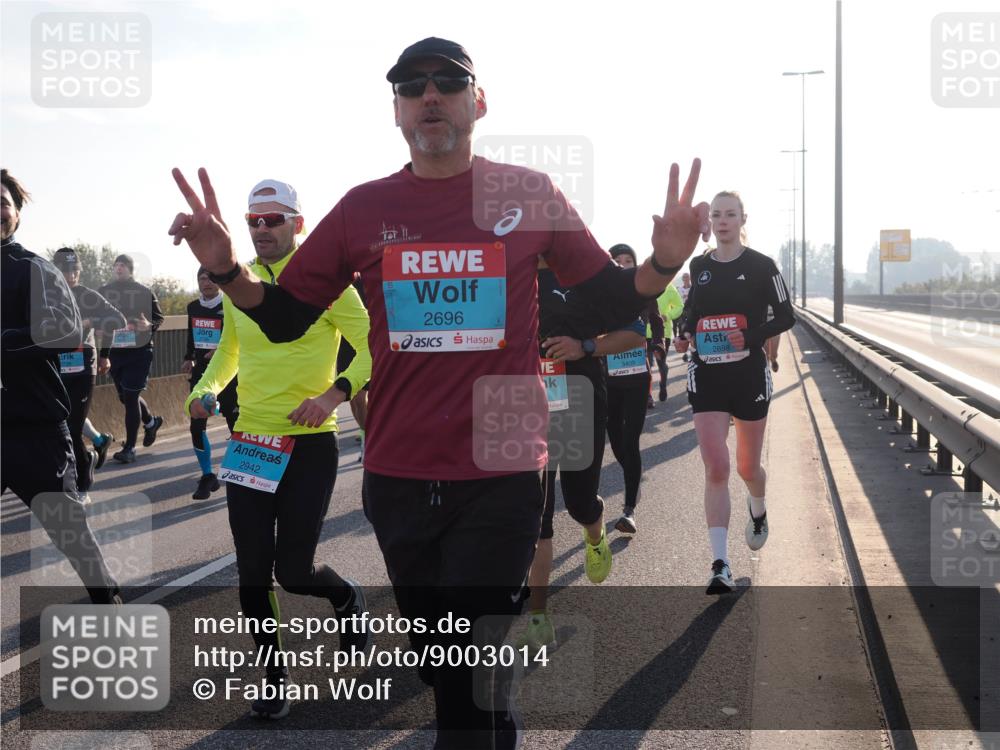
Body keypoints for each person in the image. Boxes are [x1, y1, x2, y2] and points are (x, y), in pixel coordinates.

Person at [169, 37, 710, 749]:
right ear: (395, 110)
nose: (429, 94)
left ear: (477, 103)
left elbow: (611, 298)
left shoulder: (527, 194)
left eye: (448, 82)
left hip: (501, 468)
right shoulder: (363, 209)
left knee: (465, 675)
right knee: (440, 661)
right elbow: (285, 316)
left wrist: (666, 259)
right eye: (411, 85)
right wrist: (226, 268)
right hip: (399, 472)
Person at [185, 179, 373, 720]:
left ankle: (344, 596)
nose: (263, 229)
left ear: (298, 223)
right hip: (252, 441)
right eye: (254, 221)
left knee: (294, 570)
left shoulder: (327, 284)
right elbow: (229, 351)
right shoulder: (238, 282)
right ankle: (274, 678)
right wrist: (204, 392)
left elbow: (374, 348)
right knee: (251, 570)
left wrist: (334, 395)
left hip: (311, 443)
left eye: (274, 219)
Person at [1, 169, 121, 605]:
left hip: (34, 429)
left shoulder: (35, 269)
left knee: (71, 534)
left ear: (16, 213)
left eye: (2, 203)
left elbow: (65, 331)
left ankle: (108, 602)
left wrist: (4, 342)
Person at [517, 259, 649, 652]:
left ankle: (595, 532)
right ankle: (538, 618)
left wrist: (585, 347)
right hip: (524, 409)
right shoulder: (510, 272)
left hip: (579, 403)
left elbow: (636, 332)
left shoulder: (586, 275)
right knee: (535, 516)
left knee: (579, 503)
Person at [674, 191, 795, 594]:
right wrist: (685, 333)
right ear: (710, 220)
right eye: (716, 214)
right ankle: (720, 564)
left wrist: (751, 336)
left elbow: (786, 316)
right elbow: (693, 312)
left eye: (730, 214)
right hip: (707, 374)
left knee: (747, 467)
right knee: (716, 467)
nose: (723, 220)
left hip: (748, 376)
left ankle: (757, 509)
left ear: (743, 219)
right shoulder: (699, 265)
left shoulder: (762, 265)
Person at [52, 248, 127, 502]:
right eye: (65, 270)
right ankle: (79, 465)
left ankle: (83, 484)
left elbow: (118, 320)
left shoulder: (87, 296)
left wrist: (92, 326)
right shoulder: (47, 295)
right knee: (57, 426)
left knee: (73, 428)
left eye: (75, 270)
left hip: (83, 366)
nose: (71, 275)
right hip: (56, 367)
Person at [605, 244, 665, 533]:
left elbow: (657, 321)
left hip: (638, 378)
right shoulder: (599, 295)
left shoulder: (645, 293)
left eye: (628, 260)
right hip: (609, 379)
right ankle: (633, 476)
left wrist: (658, 344)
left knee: (630, 441)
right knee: (616, 441)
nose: (623, 264)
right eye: (617, 260)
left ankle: (629, 510)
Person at [98, 254, 165, 463]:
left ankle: (129, 448)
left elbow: (159, 317)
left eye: (123, 265)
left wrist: (149, 325)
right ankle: (151, 422)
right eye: (116, 265)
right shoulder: (104, 292)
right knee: (126, 397)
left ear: (130, 269)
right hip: (116, 352)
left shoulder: (143, 291)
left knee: (130, 396)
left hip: (139, 351)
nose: (119, 268)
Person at [182, 267, 239, 499]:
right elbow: (191, 334)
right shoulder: (193, 307)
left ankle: (240, 472)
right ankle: (207, 475)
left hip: (227, 373)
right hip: (201, 374)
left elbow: (241, 336)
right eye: (202, 279)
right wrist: (188, 357)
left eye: (210, 279)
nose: (206, 283)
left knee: (235, 423)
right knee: (196, 424)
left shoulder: (231, 304)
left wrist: (221, 350)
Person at [334, 274, 370, 463]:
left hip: (370, 339)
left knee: (369, 397)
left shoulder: (371, 274)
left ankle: (372, 440)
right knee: (355, 400)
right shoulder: (338, 278)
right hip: (345, 343)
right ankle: (367, 435)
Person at [677, 271, 692, 361]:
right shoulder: (679, 289)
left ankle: (693, 352)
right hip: (682, 313)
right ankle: (685, 353)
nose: (686, 279)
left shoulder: (693, 287)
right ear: (682, 279)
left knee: (691, 332)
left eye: (687, 277)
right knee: (683, 331)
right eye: (684, 277)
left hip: (692, 312)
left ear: (690, 278)